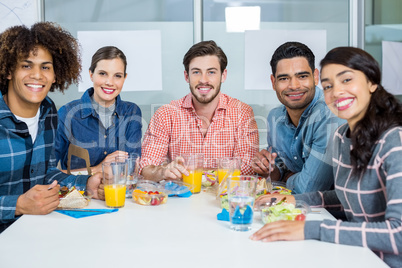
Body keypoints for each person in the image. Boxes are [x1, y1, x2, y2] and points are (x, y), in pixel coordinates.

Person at [250, 47, 402, 267]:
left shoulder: (394, 140)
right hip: (356, 255)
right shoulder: (343, 136)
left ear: (372, 83)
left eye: (347, 80)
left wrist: (310, 229)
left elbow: (398, 234)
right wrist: (295, 200)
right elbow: (344, 198)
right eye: (329, 86)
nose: (337, 92)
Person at [0, 22, 103, 233]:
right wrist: (18, 204)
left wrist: (87, 183)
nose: (37, 75)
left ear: (55, 75)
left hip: (35, 232)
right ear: (9, 70)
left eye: (45, 67)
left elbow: (44, 172)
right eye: (26, 65)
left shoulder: (49, 111)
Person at [140, 40, 259, 181]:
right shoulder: (166, 114)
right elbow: (146, 167)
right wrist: (162, 172)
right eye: (196, 72)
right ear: (186, 76)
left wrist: (199, 173)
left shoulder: (242, 113)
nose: (204, 80)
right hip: (181, 200)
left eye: (211, 72)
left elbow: (247, 168)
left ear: (223, 75)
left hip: (223, 200)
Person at [251, 42, 344, 194]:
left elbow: (309, 189)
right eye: (284, 78)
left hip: (335, 213)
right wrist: (268, 169)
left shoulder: (330, 114)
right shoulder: (275, 117)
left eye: (302, 76)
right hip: (295, 208)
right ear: (273, 82)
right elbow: (276, 172)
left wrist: (285, 179)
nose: (294, 86)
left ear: (315, 77)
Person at [55, 46, 142, 174]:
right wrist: (98, 169)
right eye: (103, 73)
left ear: (124, 78)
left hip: (119, 192)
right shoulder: (67, 114)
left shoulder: (132, 112)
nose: (109, 82)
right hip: (77, 193)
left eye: (117, 76)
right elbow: (48, 173)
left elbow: (130, 169)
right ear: (91, 74)